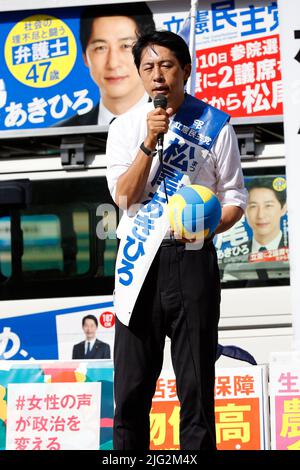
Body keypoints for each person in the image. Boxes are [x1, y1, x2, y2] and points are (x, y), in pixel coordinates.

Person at [106, 31, 247, 450]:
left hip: (192, 258)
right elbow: (125, 197)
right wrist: (149, 142)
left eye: (166, 65)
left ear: (186, 69)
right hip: (139, 263)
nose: (158, 76)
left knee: (196, 387)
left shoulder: (215, 125)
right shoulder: (125, 127)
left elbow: (235, 197)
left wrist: (207, 227)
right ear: (139, 75)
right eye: (148, 68)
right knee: (131, 390)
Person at [57, 3, 155, 127]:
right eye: (100, 48)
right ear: (85, 57)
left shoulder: (178, 124)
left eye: (126, 46)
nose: (113, 63)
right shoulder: (63, 131)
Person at [245, 179, 287, 253]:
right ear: (244, 211)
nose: (260, 215)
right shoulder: (235, 253)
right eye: (253, 206)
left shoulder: (295, 247)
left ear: (283, 209)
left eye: (268, 206)